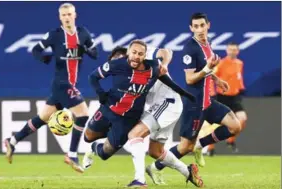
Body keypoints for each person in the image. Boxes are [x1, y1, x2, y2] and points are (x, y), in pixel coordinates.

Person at [82, 40, 197, 187]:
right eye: (134, 53)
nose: (136, 56)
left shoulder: (151, 64)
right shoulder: (117, 67)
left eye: (139, 54)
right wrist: (100, 94)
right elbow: (93, 76)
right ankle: (186, 172)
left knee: (110, 151)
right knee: (88, 137)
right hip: (109, 109)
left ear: (143, 54)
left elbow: (166, 54)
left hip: (159, 106)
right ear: (128, 54)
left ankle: (139, 180)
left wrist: (167, 69)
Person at [146, 12, 242, 185]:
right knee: (185, 147)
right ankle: (155, 167)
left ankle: (201, 144)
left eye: (202, 25)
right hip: (194, 104)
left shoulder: (207, 44)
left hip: (208, 102)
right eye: (195, 26)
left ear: (208, 25)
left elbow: (206, 69)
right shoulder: (190, 48)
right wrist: (207, 69)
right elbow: (190, 79)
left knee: (235, 126)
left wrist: (217, 79)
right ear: (191, 28)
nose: (199, 29)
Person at [4, 3, 97, 173]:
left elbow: (95, 52)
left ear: (75, 15)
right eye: (64, 15)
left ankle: (13, 141)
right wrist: (45, 58)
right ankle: (72, 154)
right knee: (83, 113)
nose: (67, 17)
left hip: (69, 84)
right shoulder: (54, 35)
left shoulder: (83, 33)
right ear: (60, 17)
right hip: (62, 83)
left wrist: (83, 48)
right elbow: (36, 50)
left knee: (43, 117)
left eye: (69, 14)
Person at [207, 42, 247, 154]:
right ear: (227, 50)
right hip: (222, 97)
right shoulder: (221, 63)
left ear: (237, 51)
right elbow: (211, 77)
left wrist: (240, 88)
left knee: (242, 119)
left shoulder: (240, 63)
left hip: (235, 97)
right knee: (218, 124)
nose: (232, 51)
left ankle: (230, 141)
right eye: (230, 49)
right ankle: (210, 147)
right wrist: (212, 92)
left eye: (234, 49)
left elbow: (239, 77)